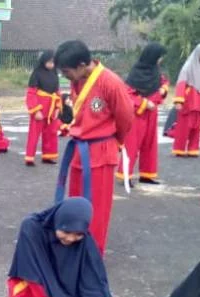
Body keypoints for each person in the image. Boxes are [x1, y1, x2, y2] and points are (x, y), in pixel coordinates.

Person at [7, 198, 125, 297]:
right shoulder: (32, 227)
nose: (70, 238)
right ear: (58, 221)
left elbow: (95, 282)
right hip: (35, 293)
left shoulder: (85, 241)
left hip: (70, 295)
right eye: (66, 231)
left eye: (78, 234)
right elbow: (37, 277)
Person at [53, 40, 134, 255]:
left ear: (81, 64)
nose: (65, 76)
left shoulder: (110, 82)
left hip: (101, 150)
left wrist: (116, 141)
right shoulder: (78, 80)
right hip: (80, 151)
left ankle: (92, 254)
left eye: (67, 71)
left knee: (96, 208)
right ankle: (74, 247)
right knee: (76, 205)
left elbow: (125, 118)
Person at [121, 42, 169, 184]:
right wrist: (144, 103)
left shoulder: (156, 71)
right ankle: (126, 175)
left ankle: (147, 174)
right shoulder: (136, 72)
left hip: (152, 114)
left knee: (150, 144)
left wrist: (163, 91)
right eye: (159, 57)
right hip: (137, 115)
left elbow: (164, 83)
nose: (161, 60)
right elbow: (128, 94)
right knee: (132, 145)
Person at [172, 43, 200, 157]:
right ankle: (179, 149)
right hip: (188, 101)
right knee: (184, 127)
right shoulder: (188, 67)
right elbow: (181, 84)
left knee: (196, 126)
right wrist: (179, 101)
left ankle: (193, 149)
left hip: (198, 102)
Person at [25, 50, 62, 166]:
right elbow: (31, 93)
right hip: (40, 108)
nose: (51, 64)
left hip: (51, 108)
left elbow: (57, 92)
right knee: (34, 134)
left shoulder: (55, 74)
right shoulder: (36, 73)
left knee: (51, 133)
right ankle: (30, 158)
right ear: (44, 61)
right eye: (49, 62)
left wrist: (57, 108)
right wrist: (36, 110)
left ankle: (48, 156)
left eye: (53, 62)